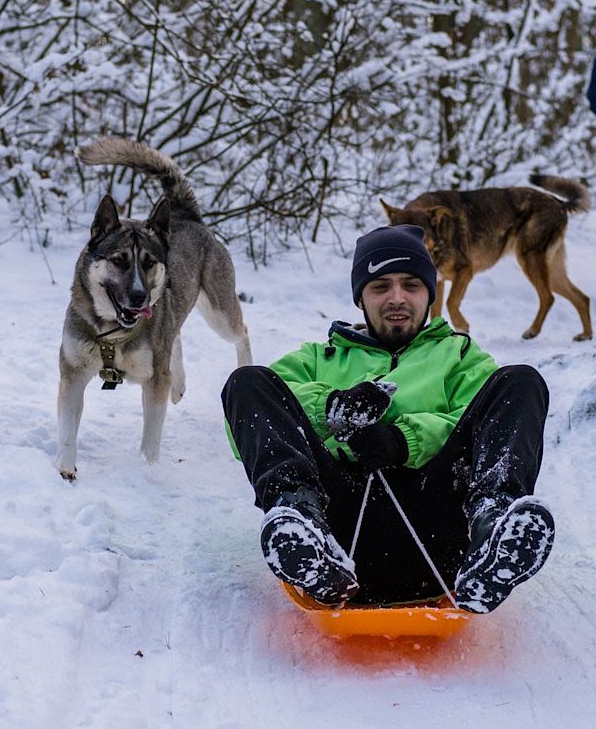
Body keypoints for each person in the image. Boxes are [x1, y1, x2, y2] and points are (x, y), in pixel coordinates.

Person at [221, 225, 555, 613]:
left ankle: (492, 529)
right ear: (360, 297)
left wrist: (403, 440)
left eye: (411, 285)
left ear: (429, 293)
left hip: (440, 537)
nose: (397, 298)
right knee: (248, 382)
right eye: (380, 286)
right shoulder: (317, 358)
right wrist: (331, 407)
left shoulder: (460, 357)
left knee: (520, 382)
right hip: (338, 538)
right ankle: (301, 524)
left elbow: (477, 426)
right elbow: (244, 426)